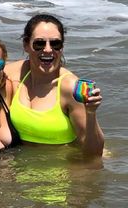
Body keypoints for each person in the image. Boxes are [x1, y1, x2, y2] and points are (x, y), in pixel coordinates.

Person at [6, 13, 104, 156]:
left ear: (62, 47)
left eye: (55, 44)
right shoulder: (19, 72)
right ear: (26, 45)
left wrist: (91, 113)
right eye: (39, 43)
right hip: (22, 171)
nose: (47, 49)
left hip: (61, 172)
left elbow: (94, 153)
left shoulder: (69, 87)